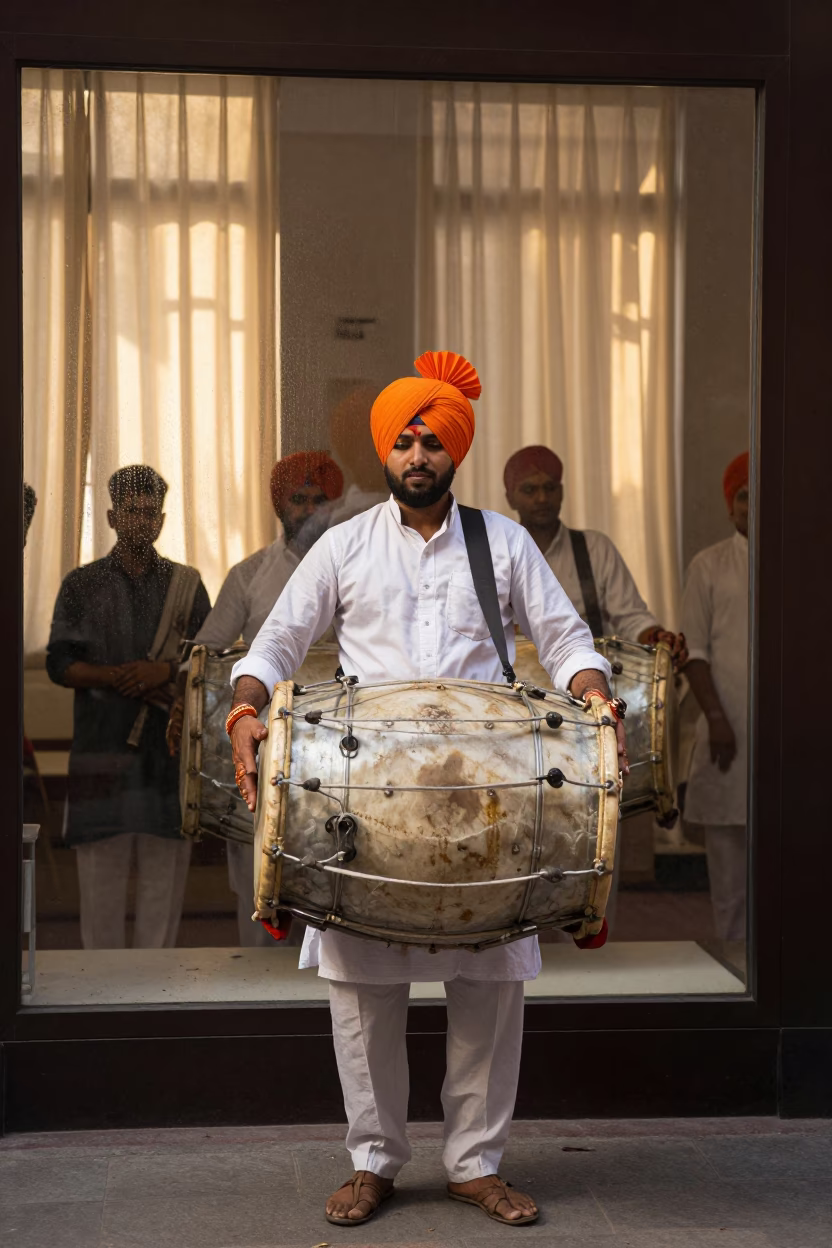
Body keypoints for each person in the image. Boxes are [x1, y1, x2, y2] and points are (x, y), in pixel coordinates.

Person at [227, 352, 626, 1228]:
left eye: (432, 441)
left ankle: (475, 1165)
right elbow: (275, 642)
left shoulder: (505, 543)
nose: (417, 455)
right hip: (365, 806)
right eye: (405, 440)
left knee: (489, 990)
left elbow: (565, 639)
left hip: (486, 805)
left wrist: (595, 694)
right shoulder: (344, 546)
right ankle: (373, 1161)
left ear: (454, 452)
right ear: (387, 452)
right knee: (362, 996)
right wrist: (246, 710)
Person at [168, 451, 344, 946]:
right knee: (258, 867)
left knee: (330, 863)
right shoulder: (250, 575)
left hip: (338, 745)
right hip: (262, 740)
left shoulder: (354, 564)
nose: (309, 510)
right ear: (278, 506)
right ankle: (260, 986)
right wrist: (185, 696)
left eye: (320, 500)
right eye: (299, 499)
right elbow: (203, 655)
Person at [47, 465, 210, 949]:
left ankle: (156, 1000)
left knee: (164, 889)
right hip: (103, 753)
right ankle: (98, 998)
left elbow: (210, 662)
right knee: (100, 889)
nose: (141, 521)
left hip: (166, 760)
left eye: (149, 513)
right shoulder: (82, 584)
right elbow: (60, 665)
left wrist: (163, 673)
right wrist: (117, 678)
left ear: (160, 520)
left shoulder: (187, 585)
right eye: (131, 512)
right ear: (113, 517)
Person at [504, 445, 686, 660]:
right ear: (511, 499)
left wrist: (660, 640)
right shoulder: (495, 557)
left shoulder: (595, 549)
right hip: (516, 688)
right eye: (529, 490)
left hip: (591, 685)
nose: (542, 498)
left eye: (550, 487)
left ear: (561, 492)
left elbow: (632, 619)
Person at [680, 451, 749, 945]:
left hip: (791, 739)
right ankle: (732, 964)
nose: (754, 506)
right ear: (731, 507)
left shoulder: (804, 559)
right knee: (730, 876)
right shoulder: (709, 565)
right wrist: (719, 721)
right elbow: (694, 652)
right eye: (745, 496)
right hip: (728, 730)